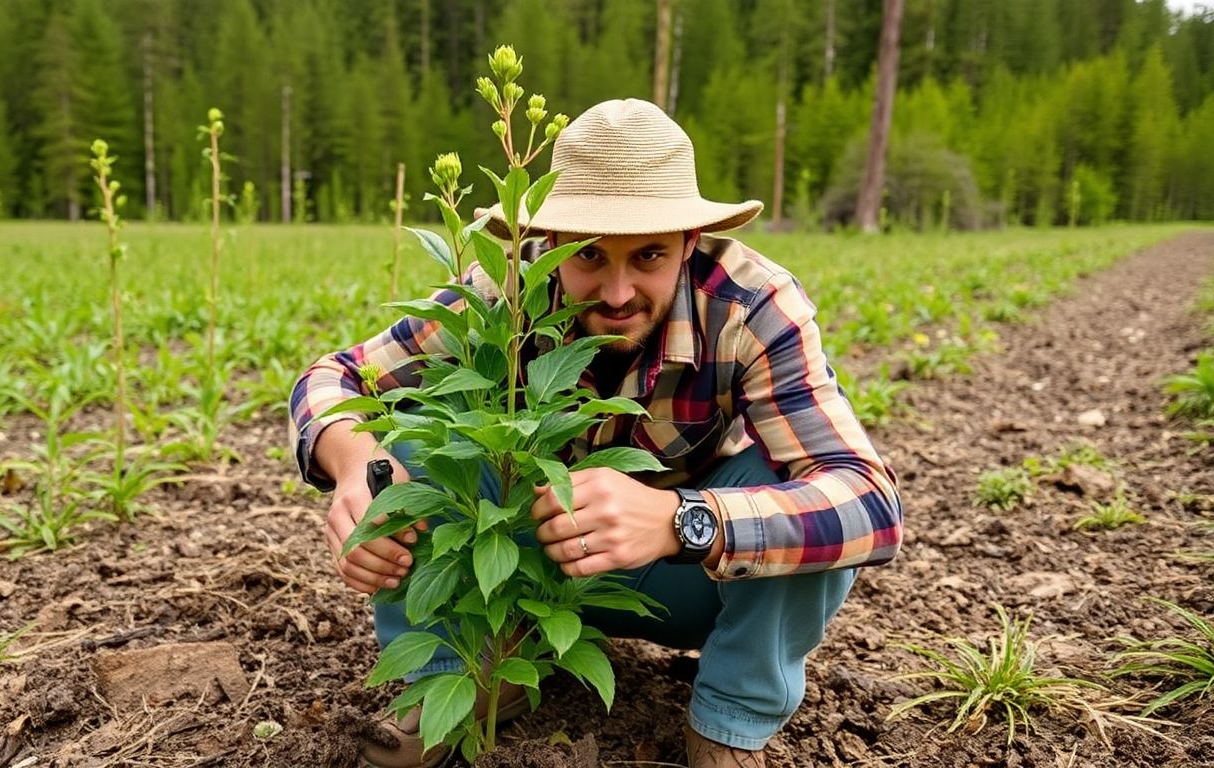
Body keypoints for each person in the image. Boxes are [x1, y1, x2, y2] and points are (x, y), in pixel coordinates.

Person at [288, 98, 903, 768]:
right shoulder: (505, 293)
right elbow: (337, 376)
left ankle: (729, 723)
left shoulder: (751, 308)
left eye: (647, 256)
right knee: (411, 432)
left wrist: (682, 519)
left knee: (798, 500)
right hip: (525, 560)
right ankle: (461, 674)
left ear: (690, 244)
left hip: (687, 582)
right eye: (588, 258)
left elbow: (867, 502)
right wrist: (353, 463)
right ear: (549, 244)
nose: (615, 293)